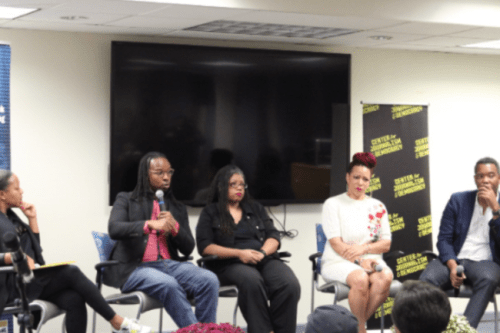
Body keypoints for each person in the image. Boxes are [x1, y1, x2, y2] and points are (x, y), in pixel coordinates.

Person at [0, 169, 153, 333]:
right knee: (70, 271)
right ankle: (117, 321)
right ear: (2, 194)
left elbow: (35, 255)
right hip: (12, 286)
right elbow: (15, 256)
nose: (21, 191)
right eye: (17, 188)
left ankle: (117, 323)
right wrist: (11, 257)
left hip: (29, 279)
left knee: (74, 299)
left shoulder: (12, 217)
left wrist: (32, 219)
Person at [104, 151, 219, 329]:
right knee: (168, 284)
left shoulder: (177, 207)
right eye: (160, 173)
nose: (166, 178)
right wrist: (148, 225)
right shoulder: (126, 199)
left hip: (169, 265)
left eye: (169, 172)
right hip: (135, 268)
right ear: (145, 174)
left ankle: (207, 330)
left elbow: (188, 248)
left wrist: (176, 228)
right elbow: (114, 228)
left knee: (209, 279)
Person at [196, 165, 300, 333]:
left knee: (289, 284)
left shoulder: (256, 208)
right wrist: (239, 253)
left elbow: (274, 236)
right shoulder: (210, 212)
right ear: (221, 187)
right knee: (251, 280)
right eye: (233, 184)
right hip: (228, 263)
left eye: (242, 185)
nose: (239, 188)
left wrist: (263, 252)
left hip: (262, 258)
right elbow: (205, 246)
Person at [420, 156, 500, 328]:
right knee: (427, 279)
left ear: (499, 178)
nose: (485, 180)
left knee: (489, 278)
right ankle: (432, 328)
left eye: (491, 175)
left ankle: (463, 329)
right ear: (475, 179)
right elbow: (444, 239)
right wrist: (452, 264)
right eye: (480, 176)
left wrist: (496, 210)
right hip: (455, 257)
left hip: (484, 262)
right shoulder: (458, 200)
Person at [320, 152, 393, 333]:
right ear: (347, 177)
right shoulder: (333, 204)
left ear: (370, 181)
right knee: (360, 278)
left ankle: (355, 326)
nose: (361, 183)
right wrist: (361, 261)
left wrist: (364, 249)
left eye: (365, 179)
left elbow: (386, 243)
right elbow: (336, 244)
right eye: (356, 177)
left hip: (371, 260)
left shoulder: (378, 206)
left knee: (385, 277)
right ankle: (361, 329)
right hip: (338, 261)